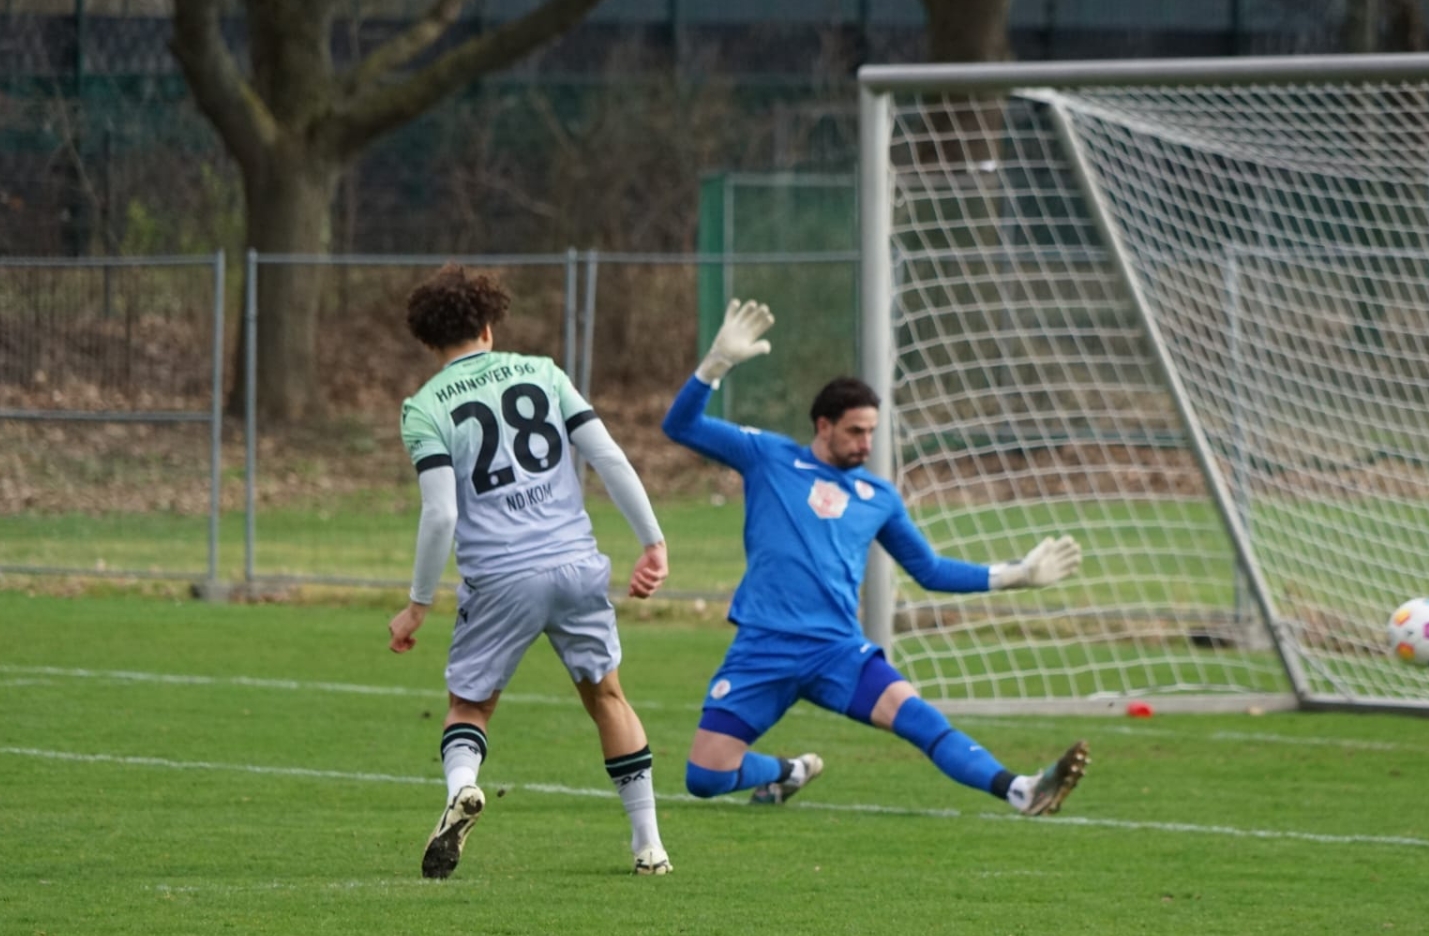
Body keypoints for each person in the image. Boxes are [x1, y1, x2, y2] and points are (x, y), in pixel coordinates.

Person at [662, 299, 1089, 815]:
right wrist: (715, 366)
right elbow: (680, 426)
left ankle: (1020, 788)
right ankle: (788, 772)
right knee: (705, 778)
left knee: (918, 717)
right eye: (855, 431)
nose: (866, 443)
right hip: (764, 646)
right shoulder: (768, 457)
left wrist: (1016, 575)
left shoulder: (878, 497)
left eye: (871, 432)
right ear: (823, 426)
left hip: (837, 650)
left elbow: (929, 570)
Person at [388, 265, 671, 878]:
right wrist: (652, 542)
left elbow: (441, 514)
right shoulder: (544, 373)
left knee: (469, 707)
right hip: (575, 565)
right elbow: (608, 457)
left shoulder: (425, 407)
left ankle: (462, 790)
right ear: (489, 326)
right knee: (608, 697)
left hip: (501, 577)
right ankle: (649, 846)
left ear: (429, 341)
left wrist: (417, 604)